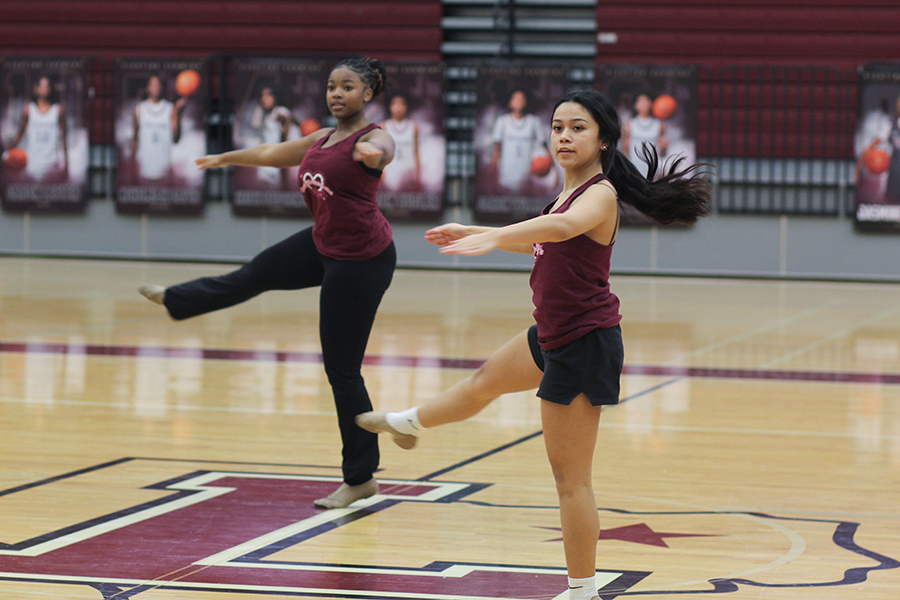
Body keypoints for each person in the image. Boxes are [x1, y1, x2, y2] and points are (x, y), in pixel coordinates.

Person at [357, 89, 711, 600]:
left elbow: (564, 227)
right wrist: (476, 230)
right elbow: (545, 237)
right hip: (553, 334)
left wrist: (496, 235)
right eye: (559, 127)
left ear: (604, 140)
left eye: (578, 128)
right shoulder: (565, 194)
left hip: (584, 344)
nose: (565, 136)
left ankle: (582, 590)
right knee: (483, 383)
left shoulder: (600, 194)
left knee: (571, 482)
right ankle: (407, 423)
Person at [138, 57, 396, 509]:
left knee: (342, 370)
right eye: (332, 86)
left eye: (348, 87)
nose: (337, 94)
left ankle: (360, 478)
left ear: (368, 95)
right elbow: (271, 154)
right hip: (322, 244)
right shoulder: (321, 138)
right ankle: (176, 300)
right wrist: (226, 158)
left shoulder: (370, 138)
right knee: (255, 273)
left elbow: (384, 148)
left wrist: (373, 156)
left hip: (361, 261)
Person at [9, 75, 68, 181]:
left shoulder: (58, 110)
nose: (44, 89)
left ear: (50, 89)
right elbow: (19, 134)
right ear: (36, 89)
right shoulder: (28, 110)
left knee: (51, 196)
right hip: (32, 164)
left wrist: (67, 166)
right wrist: (8, 154)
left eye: (47, 86)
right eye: (41, 86)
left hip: (52, 164)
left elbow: (64, 139)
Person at [490, 89, 550, 191]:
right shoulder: (502, 121)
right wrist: (493, 177)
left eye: (522, 99)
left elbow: (545, 148)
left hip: (527, 179)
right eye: (515, 98)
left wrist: (555, 173)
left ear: (526, 102)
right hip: (505, 178)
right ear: (510, 102)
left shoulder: (534, 122)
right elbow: (496, 150)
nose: (519, 101)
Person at [131, 74, 186, 182]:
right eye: (153, 84)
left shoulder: (170, 108)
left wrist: (178, 115)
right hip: (144, 168)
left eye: (158, 84)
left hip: (164, 168)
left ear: (162, 87)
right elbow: (135, 138)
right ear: (148, 88)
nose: (155, 87)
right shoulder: (139, 109)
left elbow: (176, 139)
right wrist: (133, 167)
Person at [247, 84, 296, 189]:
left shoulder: (281, 112)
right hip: (266, 164)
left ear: (276, 97)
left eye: (268, 95)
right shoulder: (265, 114)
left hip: (278, 166)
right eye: (262, 95)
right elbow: (254, 126)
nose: (264, 98)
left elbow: (287, 129)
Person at [622, 92, 667, 178]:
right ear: (635, 105)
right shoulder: (630, 124)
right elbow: (625, 147)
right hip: (635, 165)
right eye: (640, 102)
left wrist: (663, 147)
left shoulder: (659, 125)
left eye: (646, 101)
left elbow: (662, 152)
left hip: (652, 165)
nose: (644, 104)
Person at [380, 93, 420, 190]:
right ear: (390, 107)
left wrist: (418, 174)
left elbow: (416, 152)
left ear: (406, 107)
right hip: (390, 173)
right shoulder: (384, 126)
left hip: (407, 173)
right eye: (395, 104)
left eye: (402, 104)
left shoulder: (413, 127)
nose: (398, 107)